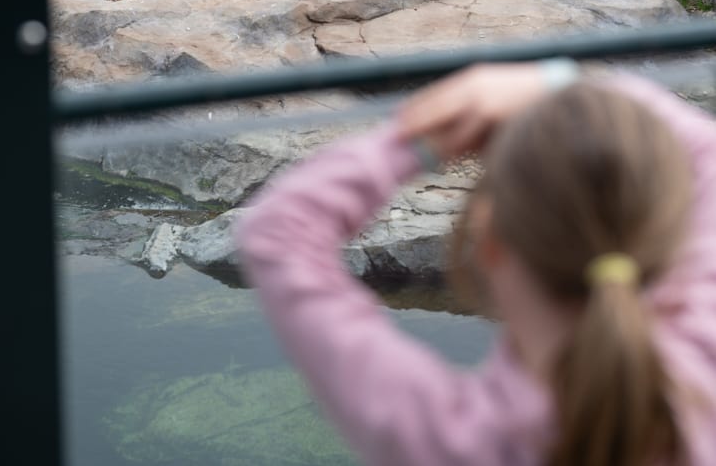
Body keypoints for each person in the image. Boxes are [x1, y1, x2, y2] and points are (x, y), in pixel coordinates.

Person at [237, 59, 716, 465]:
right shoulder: (702, 349)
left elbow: (278, 230)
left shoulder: (456, 440)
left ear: (488, 242)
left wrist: (426, 141)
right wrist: (556, 84)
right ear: (659, 227)